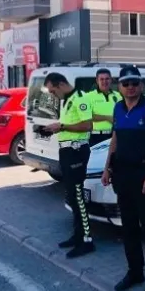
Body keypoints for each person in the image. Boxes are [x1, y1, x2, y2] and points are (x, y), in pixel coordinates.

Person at [101, 65, 145, 291]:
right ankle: (135, 272)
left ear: (141, 85)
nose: (130, 87)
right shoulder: (118, 108)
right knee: (128, 228)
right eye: (125, 83)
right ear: (119, 86)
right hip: (122, 176)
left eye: (134, 83)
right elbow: (115, 140)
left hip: (143, 177)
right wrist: (107, 168)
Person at [42, 73, 97, 259]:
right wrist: (57, 127)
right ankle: (78, 235)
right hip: (66, 151)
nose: (52, 94)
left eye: (53, 90)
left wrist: (62, 127)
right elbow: (68, 124)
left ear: (61, 84)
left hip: (76, 152)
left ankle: (87, 240)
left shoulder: (80, 98)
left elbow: (88, 125)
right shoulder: (67, 100)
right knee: (72, 196)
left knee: (78, 196)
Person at [87, 68, 122, 146]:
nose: (104, 82)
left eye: (107, 79)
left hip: (115, 135)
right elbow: (86, 116)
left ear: (110, 80)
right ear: (97, 80)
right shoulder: (88, 96)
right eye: (101, 79)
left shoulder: (118, 96)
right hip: (96, 137)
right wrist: (107, 118)